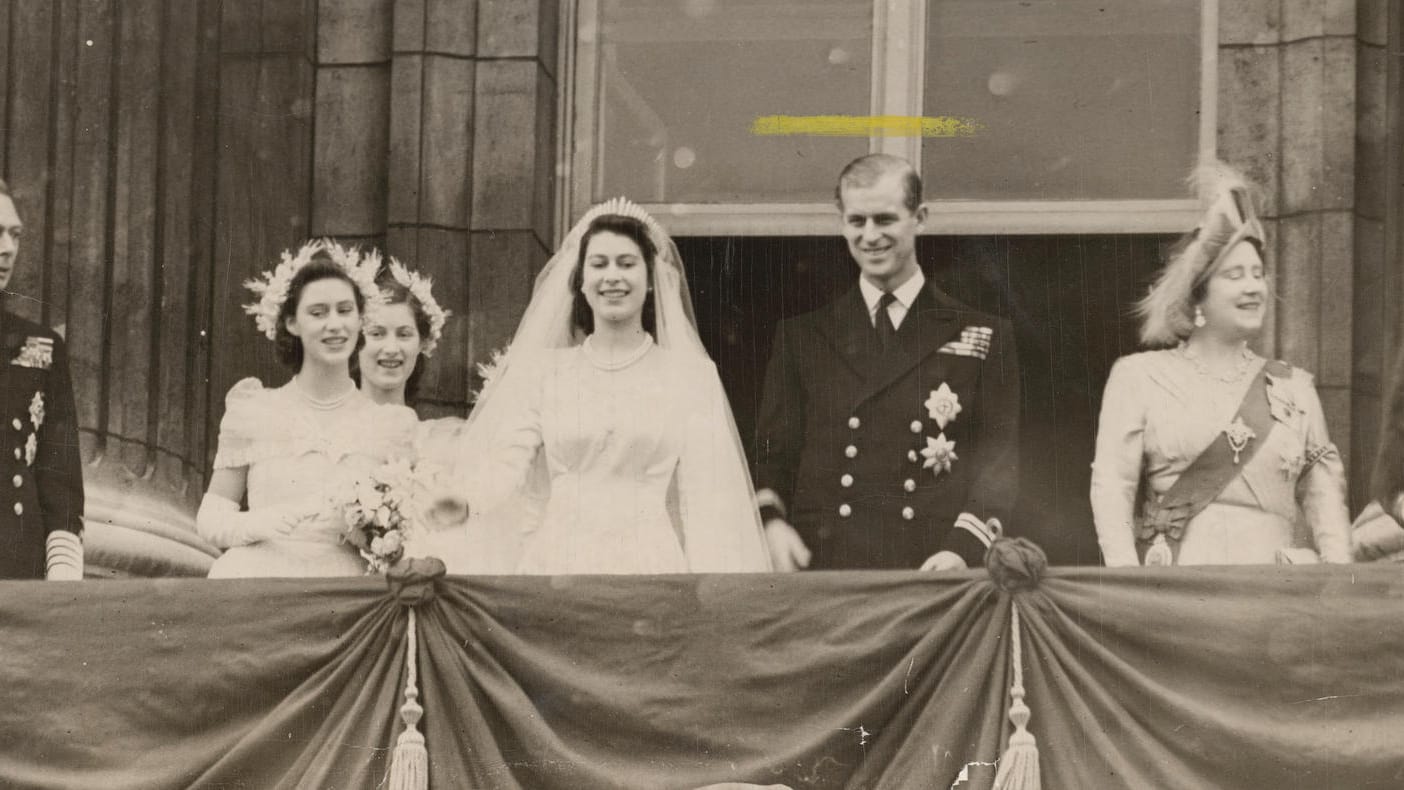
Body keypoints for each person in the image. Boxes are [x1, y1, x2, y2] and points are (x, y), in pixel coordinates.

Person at [438, 197, 771, 574]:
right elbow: (506, 461)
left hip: (650, 565)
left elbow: (706, 495)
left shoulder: (689, 376)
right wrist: (467, 499)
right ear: (581, 281)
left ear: (650, 281)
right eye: (598, 264)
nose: (612, 276)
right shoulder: (546, 373)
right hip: (557, 563)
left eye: (627, 264)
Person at [754, 154, 1020, 571]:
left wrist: (961, 549)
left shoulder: (982, 334)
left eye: (885, 219)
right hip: (826, 563)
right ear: (841, 222)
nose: (870, 236)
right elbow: (774, 455)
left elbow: (998, 463)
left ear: (921, 218)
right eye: (857, 221)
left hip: (931, 565)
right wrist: (770, 524)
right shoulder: (802, 336)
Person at [1090, 162, 1352, 566]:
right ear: (1198, 297)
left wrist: (1337, 590)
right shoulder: (1139, 377)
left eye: (1258, 274)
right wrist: (1129, 584)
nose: (1253, 287)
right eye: (1234, 275)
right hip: (1179, 588)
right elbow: (1112, 487)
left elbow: (1326, 503)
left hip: (1274, 596)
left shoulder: (1294, 388)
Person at [196, 240, 417, 578]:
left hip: (348, 592)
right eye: (318, 312)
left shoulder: (391, 426)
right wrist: (261, 523)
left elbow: (410, 533)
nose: (334, 324)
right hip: (258, 580)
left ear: (360, 320)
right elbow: (211, 517)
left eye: (345, 311)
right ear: (291, 323)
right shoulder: (253, 410)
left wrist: (364, 532)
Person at [0, 178, 84, 580]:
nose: (7, 249)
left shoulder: (41, 345)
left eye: (14, 234)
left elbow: (60, 474)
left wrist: (63, 578)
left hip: (17, 570)